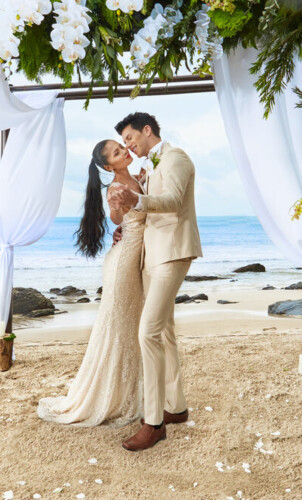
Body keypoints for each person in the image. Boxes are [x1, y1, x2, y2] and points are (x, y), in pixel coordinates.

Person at [108, 112, 203, 451]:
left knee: (146, 332)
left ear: (147, 131)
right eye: (124, 142)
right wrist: (129, 220)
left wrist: (138, 200)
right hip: (152, 254)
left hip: (173, 252)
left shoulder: (176, 157)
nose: (128, 145)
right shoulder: (149, 168)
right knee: (164, 332)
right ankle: (176, 407)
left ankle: (154, 423)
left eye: (130, 138)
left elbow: (175, 201)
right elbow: (147, 209)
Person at [36, 139, 146, 427]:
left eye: (123, 146)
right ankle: (110, 397)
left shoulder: (135, 177)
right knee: (119, 327)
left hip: (131, 257)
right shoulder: (116, 188)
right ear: (109, 166)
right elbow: (117, 216)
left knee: (130, 326)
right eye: (118, 152)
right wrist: (117, 212)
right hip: (123, 264)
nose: (125, 151)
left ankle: (130, 393)